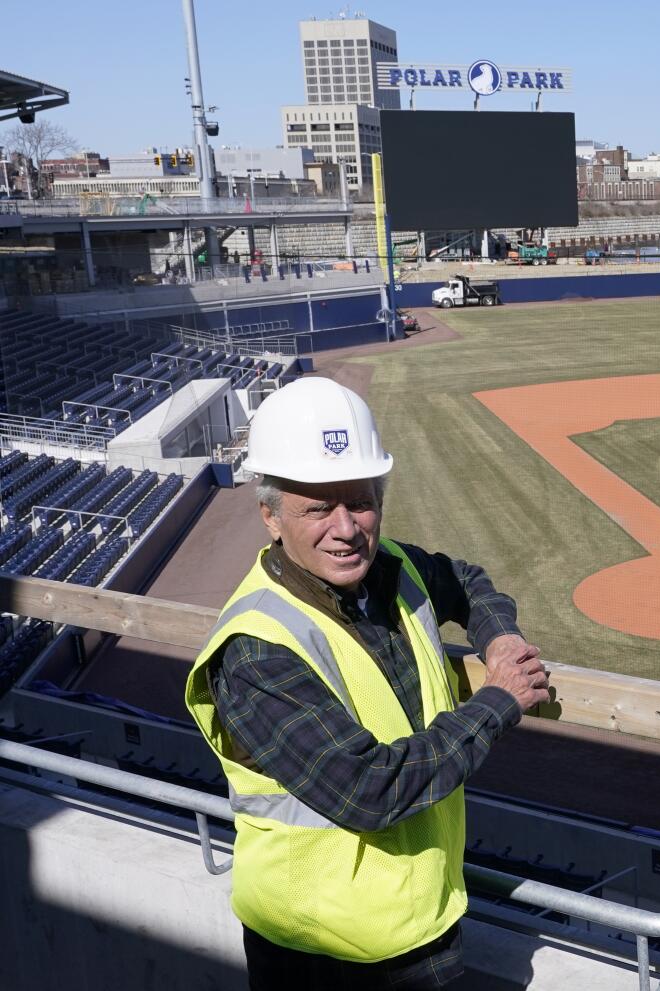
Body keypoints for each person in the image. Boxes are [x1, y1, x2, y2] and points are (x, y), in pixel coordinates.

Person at [183, 377, 550, 990]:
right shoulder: (255, 649)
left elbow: (466, 581)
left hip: (420, 924)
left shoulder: (394, 569)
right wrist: (497, 700)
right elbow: (368, 790)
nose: (347, 528)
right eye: (318, 507)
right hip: (316, 955)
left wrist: (499, 638)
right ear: (270, 516)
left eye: (360, 500)